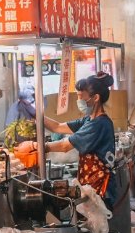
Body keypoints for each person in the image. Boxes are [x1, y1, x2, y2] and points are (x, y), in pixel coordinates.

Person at [20, 72, 118, 207]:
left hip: (100, 186)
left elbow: (65, 146)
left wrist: (36, 146)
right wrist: (35, 113)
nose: (80, 102)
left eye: (82, 97)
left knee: (99, 225)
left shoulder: (99, 124)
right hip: (91, 182)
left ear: (95, 98)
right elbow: (58, 127)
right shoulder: (89, 120)